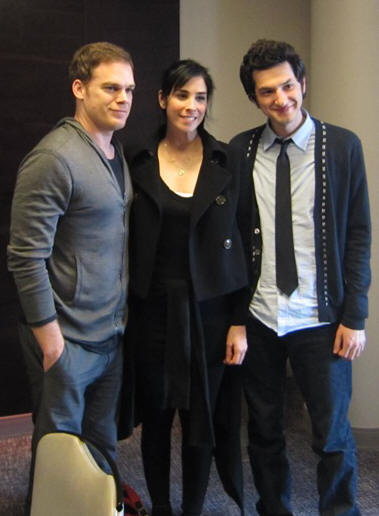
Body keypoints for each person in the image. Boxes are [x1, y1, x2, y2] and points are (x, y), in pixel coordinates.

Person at [230, 39, 371, 516]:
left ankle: (341, 512)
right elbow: (229, 242)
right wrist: (235, 318)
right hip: (261, 317)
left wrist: (355, 315)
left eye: (288, 85)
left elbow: (358, 236)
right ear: (255, 97)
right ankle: (275, 509)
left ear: (303, 83)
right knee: (265, 431)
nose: (281, 99)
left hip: (322, 319)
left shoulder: (344, 146)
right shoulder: (241, 150)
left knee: (332, 434)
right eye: (266, 91)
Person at [121, 59, 250, 516]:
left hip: (210, 316)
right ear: (162, 99)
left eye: (200, 97)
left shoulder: (226, 160)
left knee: (202, 423)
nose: (191, 106)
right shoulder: (135, 159)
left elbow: (246, 242)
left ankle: (193, 508)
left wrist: (239, 321)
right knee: (156, 421)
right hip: (153, 312)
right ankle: (161, 507)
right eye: (181, 95)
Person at [7, 41, 135, 506]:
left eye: (129, 89)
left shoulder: (113, 152)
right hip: (66, 340)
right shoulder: (54, 158)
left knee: (99, 448)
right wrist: (49, 337)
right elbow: (25, 256)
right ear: (79, 88)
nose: (123, 98)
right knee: (59, 452)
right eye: (111, 88)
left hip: (108, 335)